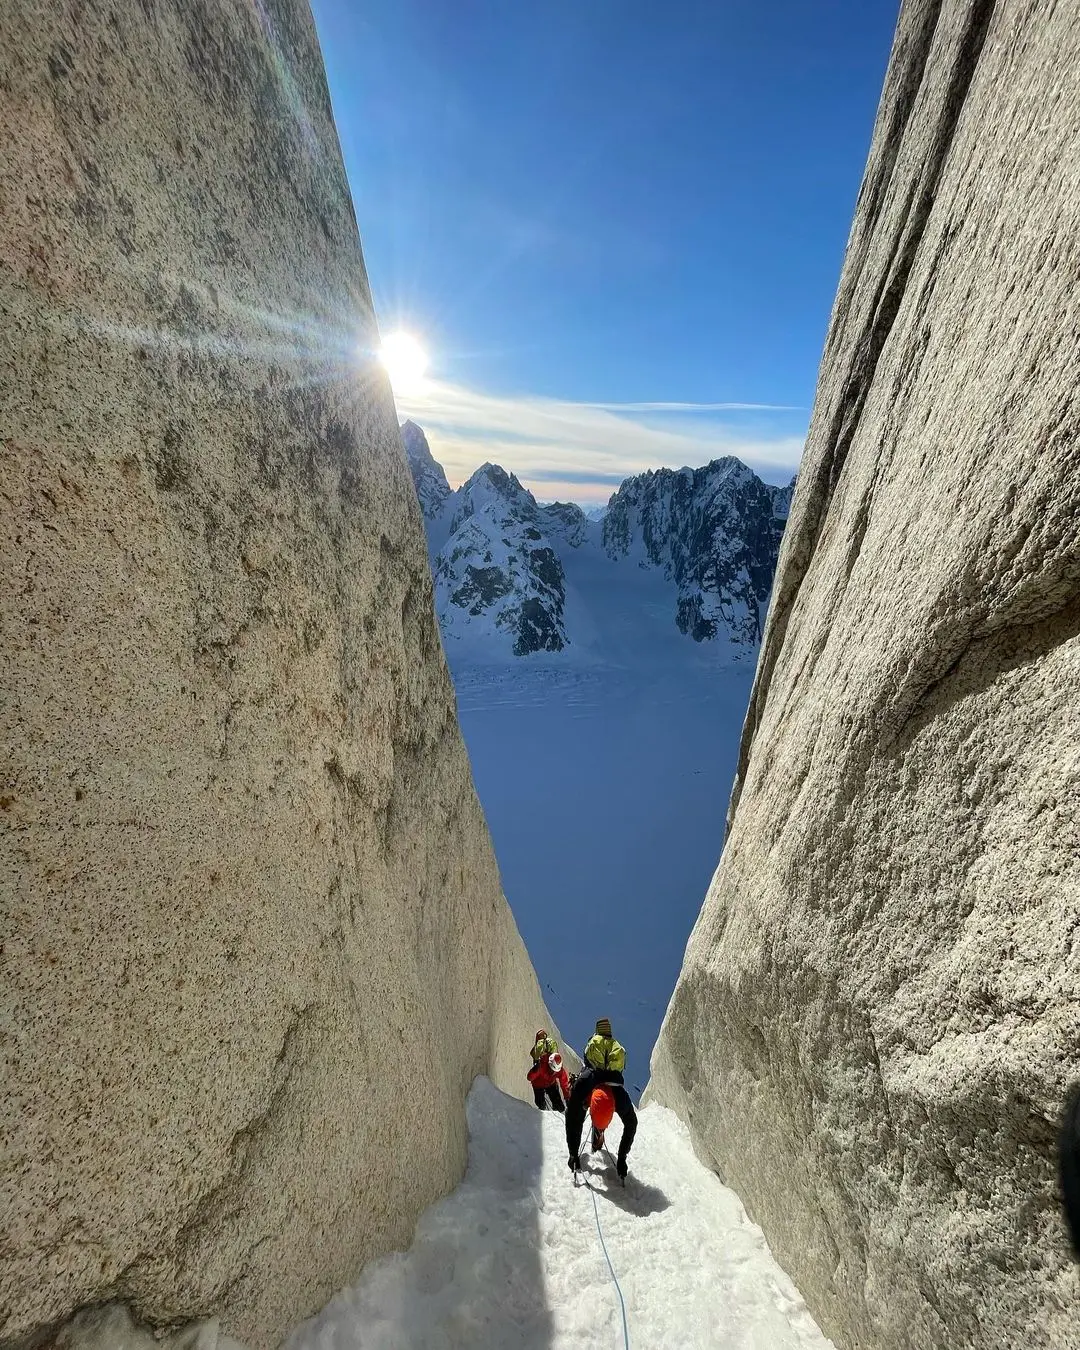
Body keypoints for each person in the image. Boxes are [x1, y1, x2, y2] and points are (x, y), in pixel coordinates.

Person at [566, 1017, 637, 1178]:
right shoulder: (616, 1046)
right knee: (631, 1121)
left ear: (598, 1030)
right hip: (614, 1087)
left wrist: (573, 1153)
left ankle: (574, 1155)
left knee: (574, 1114)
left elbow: (572, 1120)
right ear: (610, 1031)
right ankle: (604, 1134)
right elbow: (631, 1124)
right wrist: (622, 1158)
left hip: (589, 1082)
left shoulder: (593, 1040)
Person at [527, 1029, 565, 1111]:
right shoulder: (556, 1066)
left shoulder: (541, 1065)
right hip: (550, 1083)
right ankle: (559, 1112)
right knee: (558, 1104)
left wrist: (535, 1069)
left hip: (538, 1084)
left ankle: (544, 1109)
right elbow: (564, 1081)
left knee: (540, 1103)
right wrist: (567, 1097)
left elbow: (530, 1077)